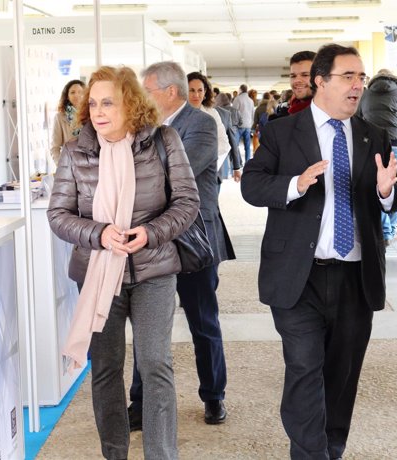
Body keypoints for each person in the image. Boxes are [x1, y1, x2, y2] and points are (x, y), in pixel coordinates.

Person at [241, 43, 397, 459]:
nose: (358, 86)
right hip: (299, 275)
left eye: (361, 78)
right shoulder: (283, 132)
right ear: (320, 81)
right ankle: (310, 453)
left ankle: (332, 448)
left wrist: (388, 192)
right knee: (304, 367)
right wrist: (294, 185)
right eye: (348, 77)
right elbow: (251, 185)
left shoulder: (373, 134)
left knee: (342, 373)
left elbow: (395, 192)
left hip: (355, 275)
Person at [47, 65, 198, 460]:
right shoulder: (75, 150)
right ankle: (114, 453)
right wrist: (99, 234)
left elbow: (187, 201)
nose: (97, 110)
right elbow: (59, 214)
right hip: (98, 275)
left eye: (108, 101)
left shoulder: (163, 140)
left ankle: (161, 454)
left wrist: (151, 233)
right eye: (93, 102)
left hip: (154, 271)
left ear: (130, 103)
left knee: (155, 364)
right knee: (106, 369)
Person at [136, 61, 232, 427]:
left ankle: (213, 395)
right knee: (147, 326)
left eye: (148, 90)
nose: (143, 97)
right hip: (152, 239)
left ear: (169, 92)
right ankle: (140, 402)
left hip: (193, 238)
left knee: (202, 320)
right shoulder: (145, 127)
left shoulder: (202, 124)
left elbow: (178, 175)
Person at [357, 68, 397, 244]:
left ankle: (386, 230)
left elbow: (358, 117)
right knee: (393, 185)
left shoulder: (365, 94)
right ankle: (391, 228)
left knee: (378, 186)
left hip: (371, 142)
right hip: (395, 141)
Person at [50, 79, 85, 166]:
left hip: (90, 166)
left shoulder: (91, 115)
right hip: (70, 166)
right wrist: (61, 166)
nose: (77, 95)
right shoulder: (60, 117)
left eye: (80, 92)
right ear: (67, 96)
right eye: (72, 92)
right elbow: (55, 147)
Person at [232, 84, 254, 162]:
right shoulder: (251, 101)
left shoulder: (237, 99)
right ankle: (247, 162)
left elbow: (234, 112)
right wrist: (251, 124)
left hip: (239, 126)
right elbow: (252, 114)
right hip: (248, 126)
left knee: (235, 145)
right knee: (247, 147)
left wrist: (233, 124)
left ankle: (237, 162)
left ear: (240, 90)